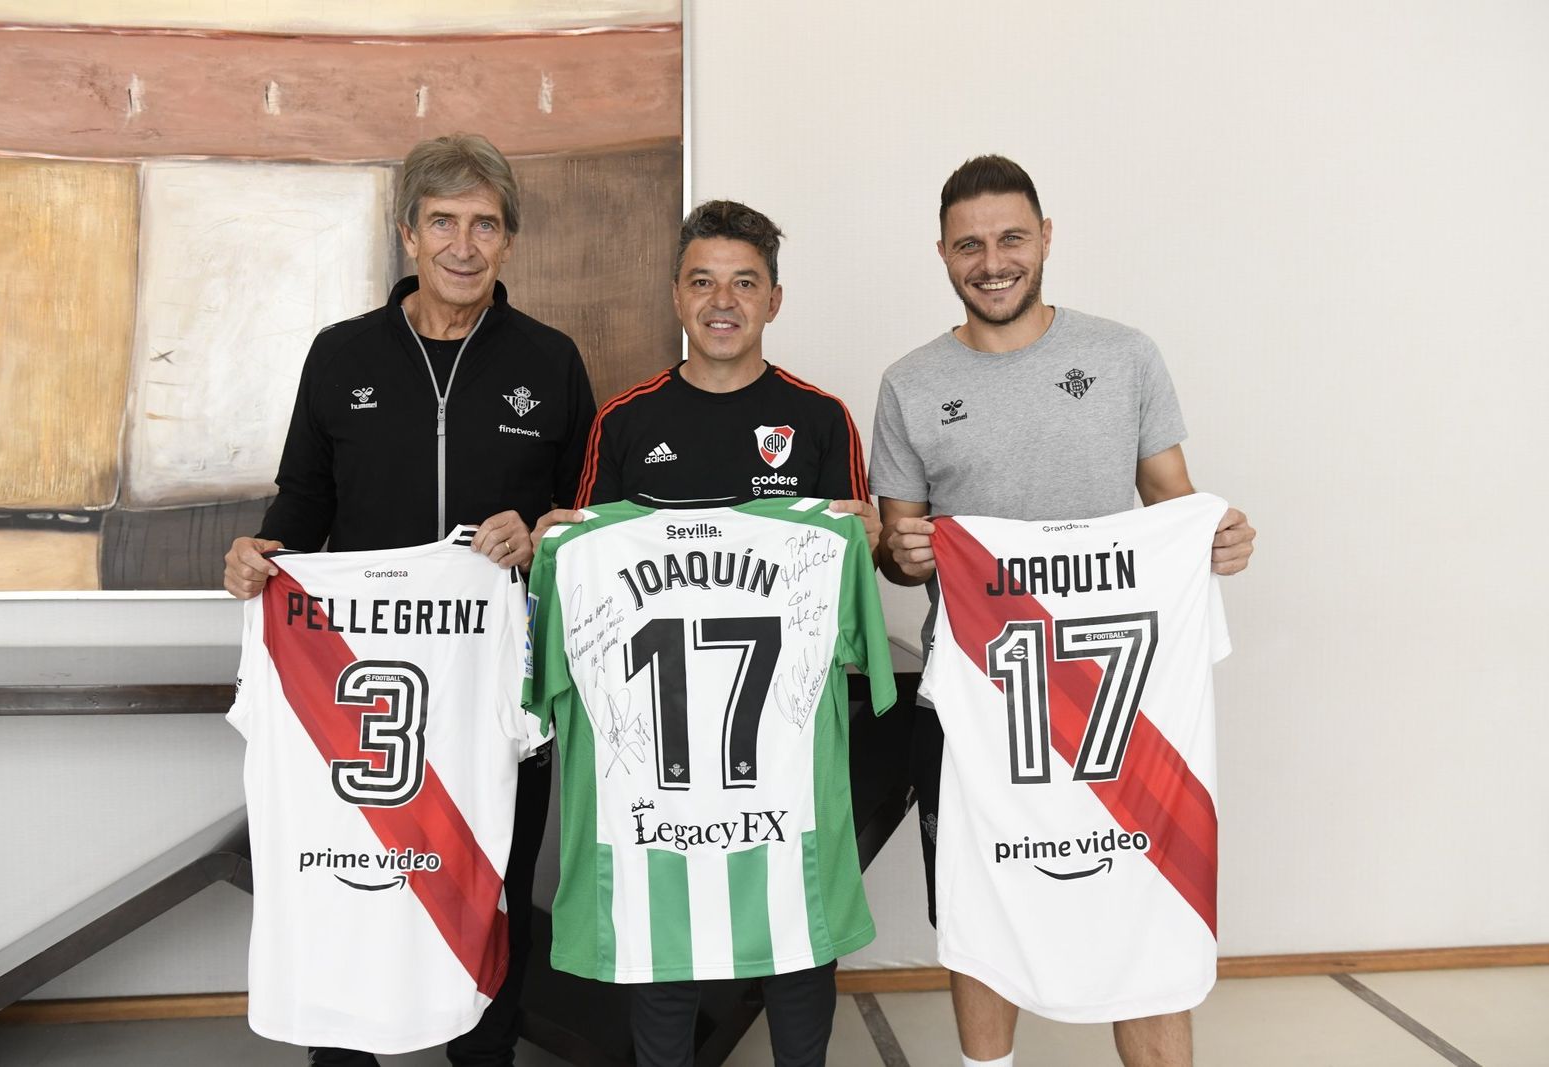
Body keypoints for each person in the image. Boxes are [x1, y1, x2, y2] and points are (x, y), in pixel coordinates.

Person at [870, 155, 1256, 1067]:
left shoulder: (1124, 355)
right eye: (970, 245)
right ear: (942, 255)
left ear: (1046, 238)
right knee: (984, 900)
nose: (992, 261)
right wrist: (906, 550)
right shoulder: (909, 383)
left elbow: (1174, 499)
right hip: (977, 699)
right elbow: (894, 543)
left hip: (1119, 695)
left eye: (1011, 238)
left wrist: (1215, 540)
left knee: (1142, 893)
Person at [223, 133, 595, 1067]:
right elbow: (299, 508)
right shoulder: (341, 353)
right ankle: (343, 1052)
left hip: (492, 684)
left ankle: (484, 1055)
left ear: (508, 241)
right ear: (408, 235)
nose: (463, 245)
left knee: (489, 889)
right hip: (359, 688)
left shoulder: (548, 361)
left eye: (484, 224)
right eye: (443, 223)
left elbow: (586, 516)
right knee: (350, 877)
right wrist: (259, 558)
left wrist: (546, 531)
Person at [530, 200, 879, 1067]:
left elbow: (851, 581)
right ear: (676, 296)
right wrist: (556, 542)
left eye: (744, 283)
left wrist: (862, 538)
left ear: (774, 299)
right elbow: (584, 563)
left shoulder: (822, 416)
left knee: (797, 930)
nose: (722, 300)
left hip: (784, 743)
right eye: (702, 281)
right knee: (662, 934)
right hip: (658, 745)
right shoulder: (626, 419)